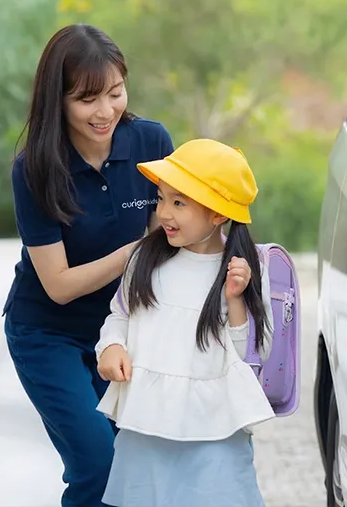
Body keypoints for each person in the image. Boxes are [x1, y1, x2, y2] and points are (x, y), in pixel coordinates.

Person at [2, 23, 174, 507]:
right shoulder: (34, 168)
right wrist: (136, 250)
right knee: (98, 463)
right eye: (86, 99)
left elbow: (187, 226)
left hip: (122, 329)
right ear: (58, 100)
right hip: (47, 333)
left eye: (116, 93)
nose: (106, 112)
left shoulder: (152, 143)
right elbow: (57, 285)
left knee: (134, 465)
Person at [94, 138, 275, 507]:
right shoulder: (146, 258)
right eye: (161, 198)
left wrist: (235, 299)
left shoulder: (241, 269)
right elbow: (121, 314)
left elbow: (249, 355)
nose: (164, 213)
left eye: (179, 202)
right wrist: (112, 345)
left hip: (214, 430)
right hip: (147, 422)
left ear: (218, 214)